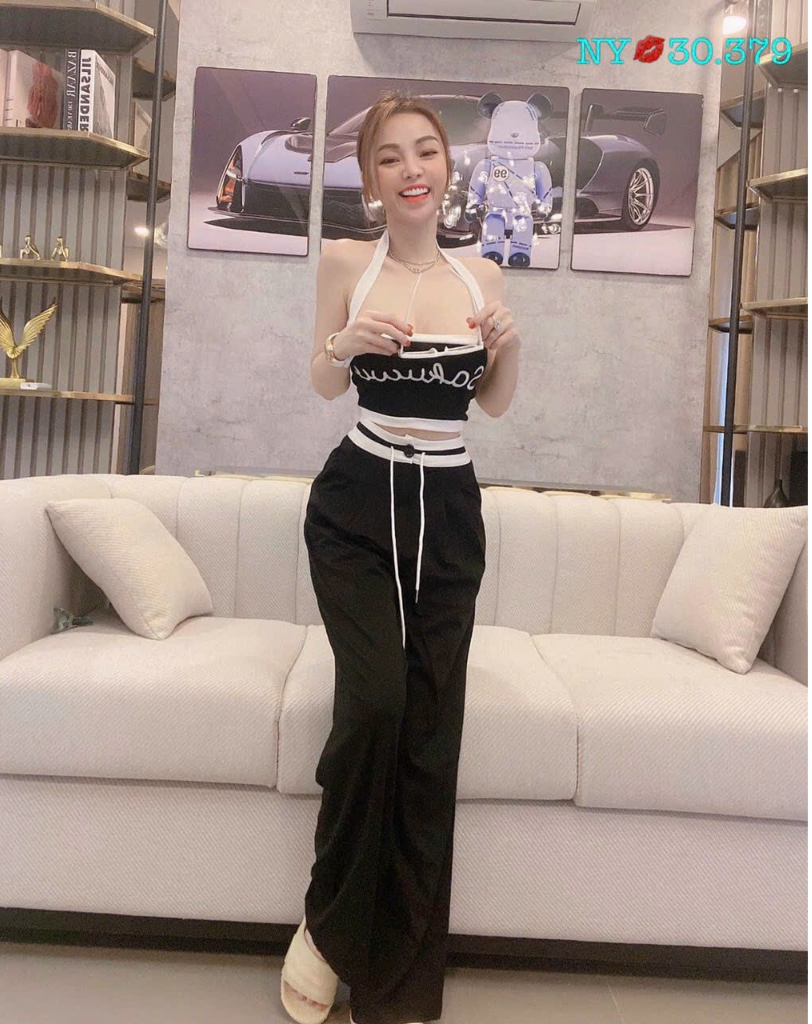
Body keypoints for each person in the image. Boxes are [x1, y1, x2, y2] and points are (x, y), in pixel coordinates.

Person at [281, 91, 522, 1024]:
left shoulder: (481, 275)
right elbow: (321, 379)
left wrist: (510, 347)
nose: (411, 168)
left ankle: (401, 981)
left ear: (447, 170)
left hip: (449, 512)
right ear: (372, 180)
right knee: (375, 703)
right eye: (390, 156)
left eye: (426, 151)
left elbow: (493, 403)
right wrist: (343, 342)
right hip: (356, 503)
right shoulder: (348, 261)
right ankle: (327, 928)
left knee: (428, 735)